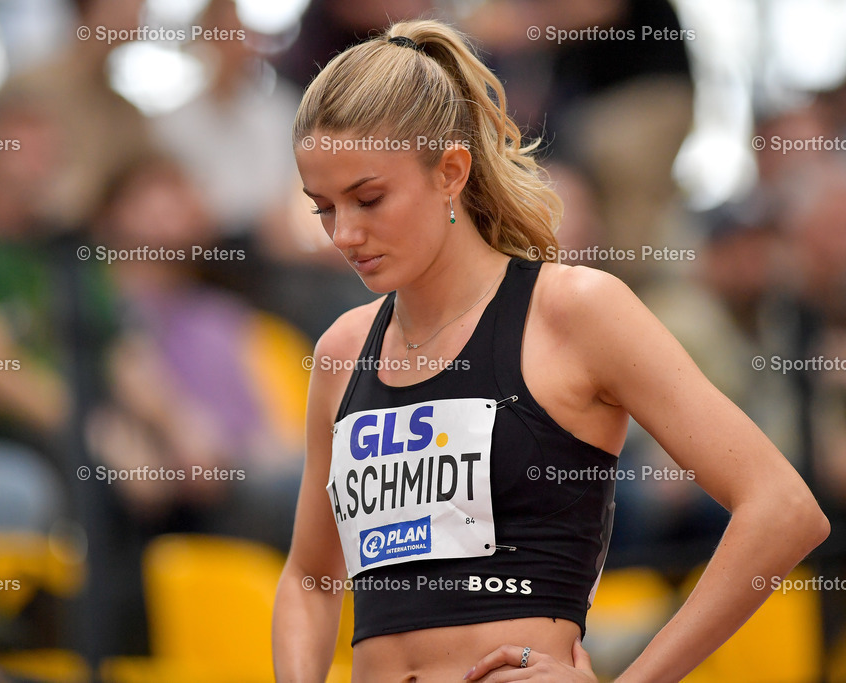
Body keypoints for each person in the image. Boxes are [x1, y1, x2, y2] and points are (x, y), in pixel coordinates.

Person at [271, 19, 830, 682]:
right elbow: (309, 575)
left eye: (368, 198)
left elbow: (782, 509)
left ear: (451, 171)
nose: (345, 233)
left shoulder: (575, 311)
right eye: (323, 208)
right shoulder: (342, 351)